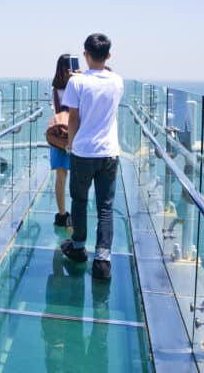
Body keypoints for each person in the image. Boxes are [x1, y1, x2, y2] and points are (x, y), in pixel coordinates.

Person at [60, 33, 124, 280]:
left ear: (85, 54)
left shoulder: (76, 83)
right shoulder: (117, 81)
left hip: (83, 151)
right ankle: (102, 260)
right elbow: (106, 77)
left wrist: (70, 144)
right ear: (109, 55)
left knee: (79, 200)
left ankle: (78, 248)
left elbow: (73, 119)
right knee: (105, 207)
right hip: (109, 152)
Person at [49, 54, 74, 232]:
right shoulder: (76, 87)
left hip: (59, 135)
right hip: (74, 133)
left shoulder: (54, 90)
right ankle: (75, 212)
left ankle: (62, 213)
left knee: (61, 175)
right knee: (78, 176)